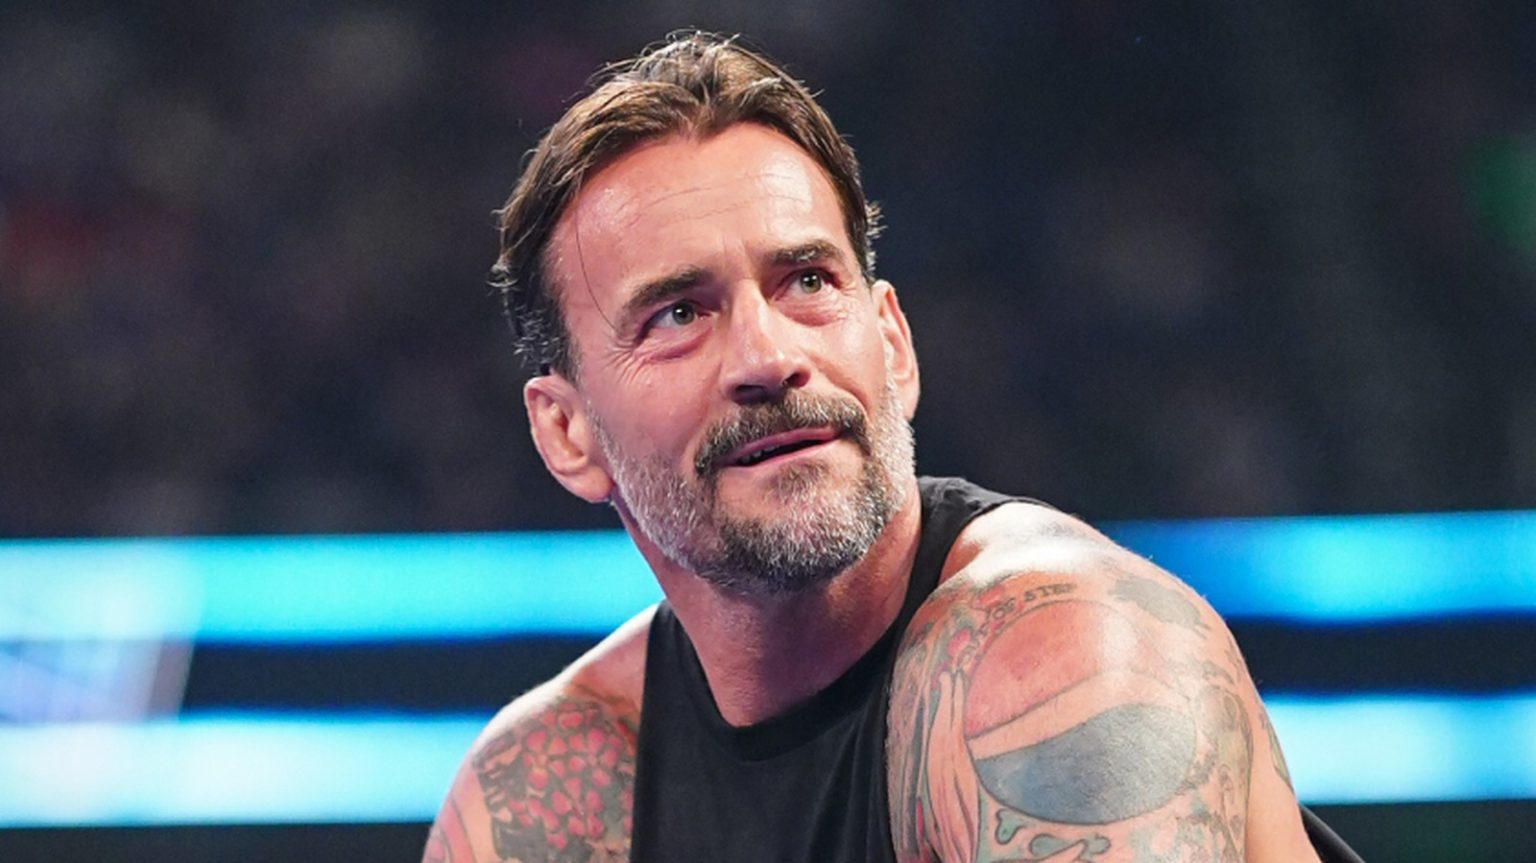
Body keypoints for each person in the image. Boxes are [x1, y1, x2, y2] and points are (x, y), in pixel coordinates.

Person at [425, 31, 1360, 863]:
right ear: (567, 431)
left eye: (807, 280)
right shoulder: (541, 798)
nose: (769, 358)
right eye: (678, 313)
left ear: (894, 344)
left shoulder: (1056, 656)